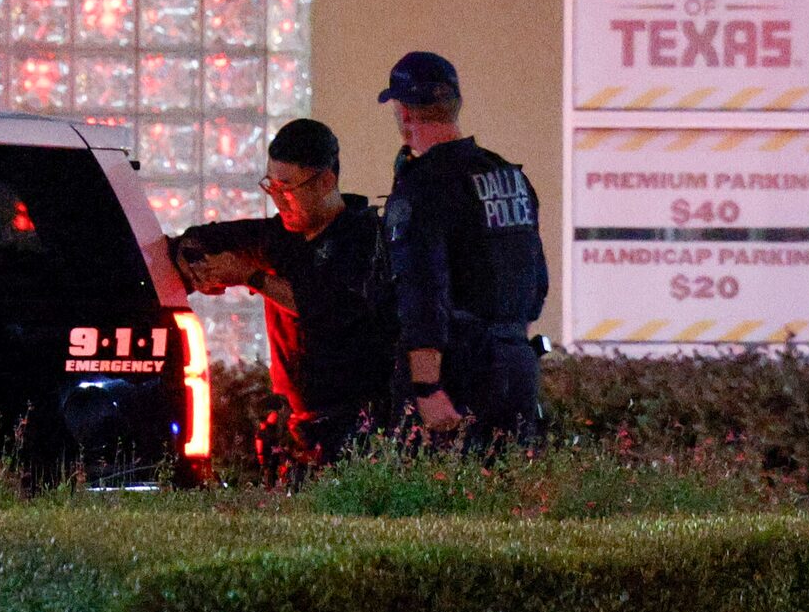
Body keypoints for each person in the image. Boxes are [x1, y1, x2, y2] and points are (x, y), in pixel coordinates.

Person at [170, 118, 396, 476]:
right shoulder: (279, 237)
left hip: (359, 422)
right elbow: (204, 238)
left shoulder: (364, 239)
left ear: (326, 180)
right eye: (271, 186)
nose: (278, 199)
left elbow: (324, 307)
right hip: (297, 424)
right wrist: (195, 260)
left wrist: (249, 275)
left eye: (288, 187)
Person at [376, 51, 549, 448]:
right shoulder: (510, 177)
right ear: (456, 105)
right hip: (517, 367)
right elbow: (535, 285)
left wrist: (426, 387)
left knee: (438, 502)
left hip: (457, 375)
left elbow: (422, 290)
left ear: (404, 115)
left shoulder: (422, 188)